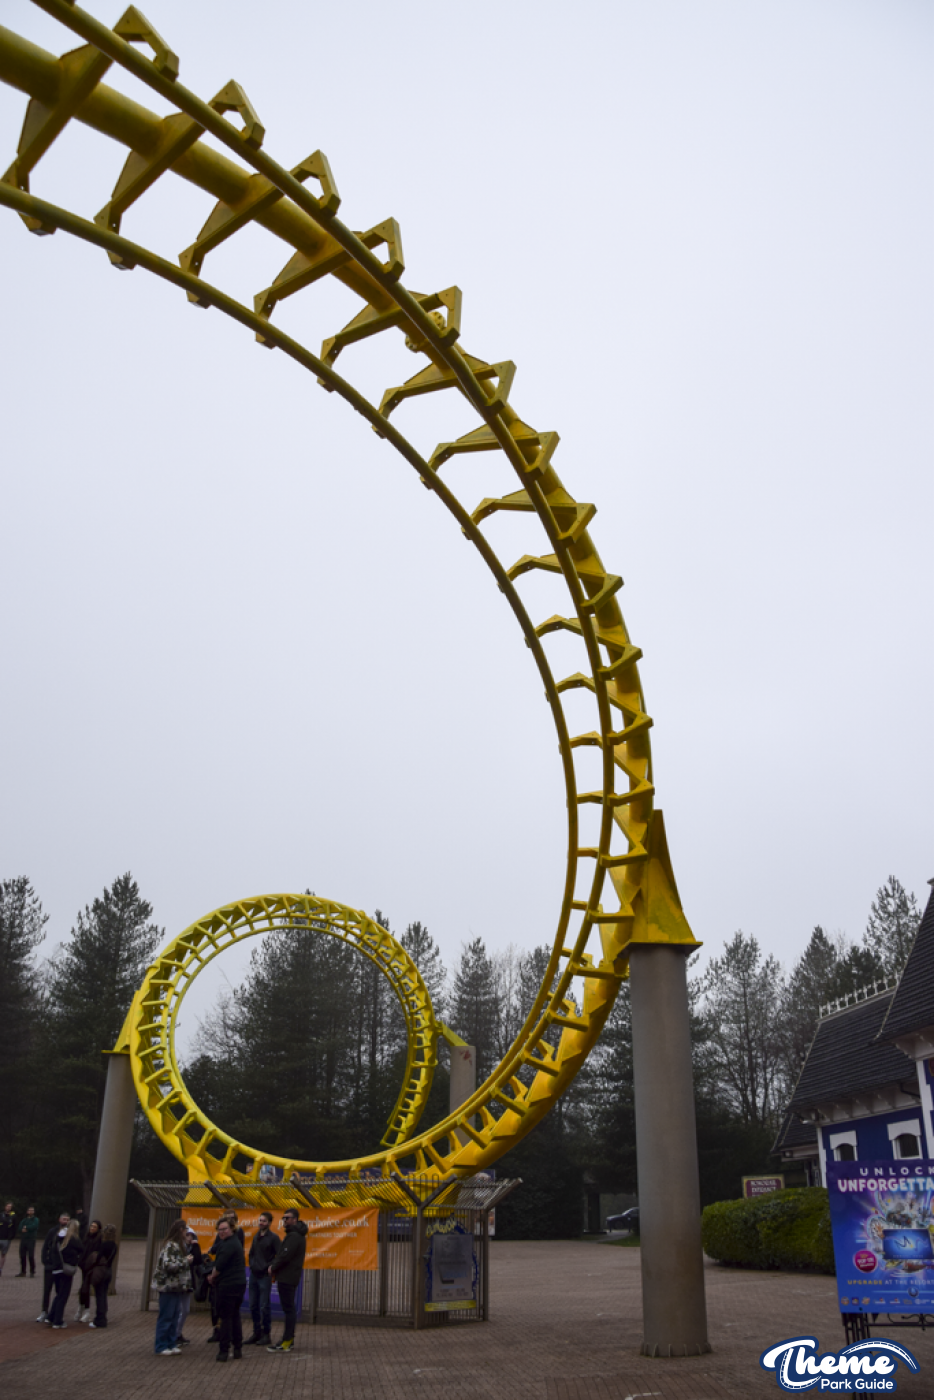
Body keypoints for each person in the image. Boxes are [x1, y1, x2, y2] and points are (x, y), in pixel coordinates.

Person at [267, 1208, 308, 1354]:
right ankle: (287, 1339)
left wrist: (273, 1267)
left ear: (295, 1219)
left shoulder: (294, 1236)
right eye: (283, 1218)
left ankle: (287, 1340)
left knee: (288, 1309)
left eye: (287, 1218)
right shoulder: (295, 1235)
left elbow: (285, 1255)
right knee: (288, 1309)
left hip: (287, 1277)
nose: (284, 1220)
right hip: (289, 1276)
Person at [207, 1217, 245, 1362]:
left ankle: (224, 1350)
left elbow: (220, 1265)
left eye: (225, 1229)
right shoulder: (234, 1242)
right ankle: (237, 1348)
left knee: (225, 1317)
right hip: (238, 1284)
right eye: (220, 1229)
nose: (222, 1232)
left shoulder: (229, 1245)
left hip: (229, 1285)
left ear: (232, 1229)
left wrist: (212, 1276)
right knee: (235, 1315)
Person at [152, 1218, 190, 1356]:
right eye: (185, 1229)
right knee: (166, 1316)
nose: (187, 1232)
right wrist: (186, 1261)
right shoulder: (171, 1246)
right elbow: (168, 1265)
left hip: (176, 1286)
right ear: (180, 1230)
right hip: (168, 1286)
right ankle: (161, 1345)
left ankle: (171, 1342)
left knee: (174, 1315)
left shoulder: (178, 1246)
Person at [245, 1210, 280, 1346]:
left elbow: (280, 1255)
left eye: (264, 1221)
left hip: (264, 1275)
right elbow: (252, 1253)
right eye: (260, 1220)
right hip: (254, 1274)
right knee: (253, 1304)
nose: (261, 1223)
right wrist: (253, 1265)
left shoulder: (273, 1238)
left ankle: (266, 1334)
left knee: (264, 1305)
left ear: (270, 1223)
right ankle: (256, 1332)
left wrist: (270, 1266)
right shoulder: (256, 1236)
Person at [47, 1219, 83, 1328]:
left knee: (59, 1295)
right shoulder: (73, 1240)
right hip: (66, 1270)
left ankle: (51, 1316)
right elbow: (81, 1250)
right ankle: (58, 1321)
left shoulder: (57, 1237)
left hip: (56, 1269)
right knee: (63, 1295)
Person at [36, 1213, 68, 1320]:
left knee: (59, 1291)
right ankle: (44, 1311)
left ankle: (56, 1313)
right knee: (47, 1290)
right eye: (64, 1219)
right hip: (50, 1266)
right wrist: (45, 1261)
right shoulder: (52, 1231)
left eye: (67, 1220)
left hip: (60, 1267)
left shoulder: (69, 1233)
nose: (65, 1221)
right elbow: (45, 1246)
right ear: (59, 1219)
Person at [172, 1227, 201, 1347]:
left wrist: (196, 1246)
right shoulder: (178, 1248)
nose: (190, 1238)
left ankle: (178, 1333)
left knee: (185, 1310)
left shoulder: (192, 1248)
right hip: (179, 1282)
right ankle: (173, 1335)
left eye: (192, 1236)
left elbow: (198, 1261)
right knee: (178, 1309)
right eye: (188, 1235)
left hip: (188, 1282)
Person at [88, 1224, 117, 1329]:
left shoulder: (104, 1245)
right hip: (108, 1270)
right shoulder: (114, 1245)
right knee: (103, 1295)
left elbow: (98, 1258)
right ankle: (103, 1317)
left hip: (101, 1270)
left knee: (99, 1295)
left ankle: (99, 1320)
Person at [75, 1220, 103, 1322]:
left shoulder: (99, 1240)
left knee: (86, 1288)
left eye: (94, 1227)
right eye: (91, 1226)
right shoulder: (86, 1238)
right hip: (84, 1266)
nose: (92, 1228)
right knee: (83, 1288)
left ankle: (86, 1311)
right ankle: (81, 1308)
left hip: (92, 1267)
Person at [17, 1205, 39, 1277]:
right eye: (30, 1210)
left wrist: (26, 1227)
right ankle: (23, 1272)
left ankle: (32, 1271)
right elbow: (20, 1227)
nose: (31, 1212)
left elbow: (34, 1226)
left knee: (30, 1256)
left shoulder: (35, 1219)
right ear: (27, 1212)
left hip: (31, 1239)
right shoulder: (24, 1220)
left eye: (32, 1210)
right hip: (24, 1239)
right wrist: (22, 1229)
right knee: (22, 1256)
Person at [0, 1203, 15, 1275]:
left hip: (6, 1239)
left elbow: (14, 1227)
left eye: (10, 1207)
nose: (8, 1208)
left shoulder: (13, 1216)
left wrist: (11, 1237)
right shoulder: (1, 1215)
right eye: (7, 1206)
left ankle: (0, 1269)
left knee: (3, 1254)